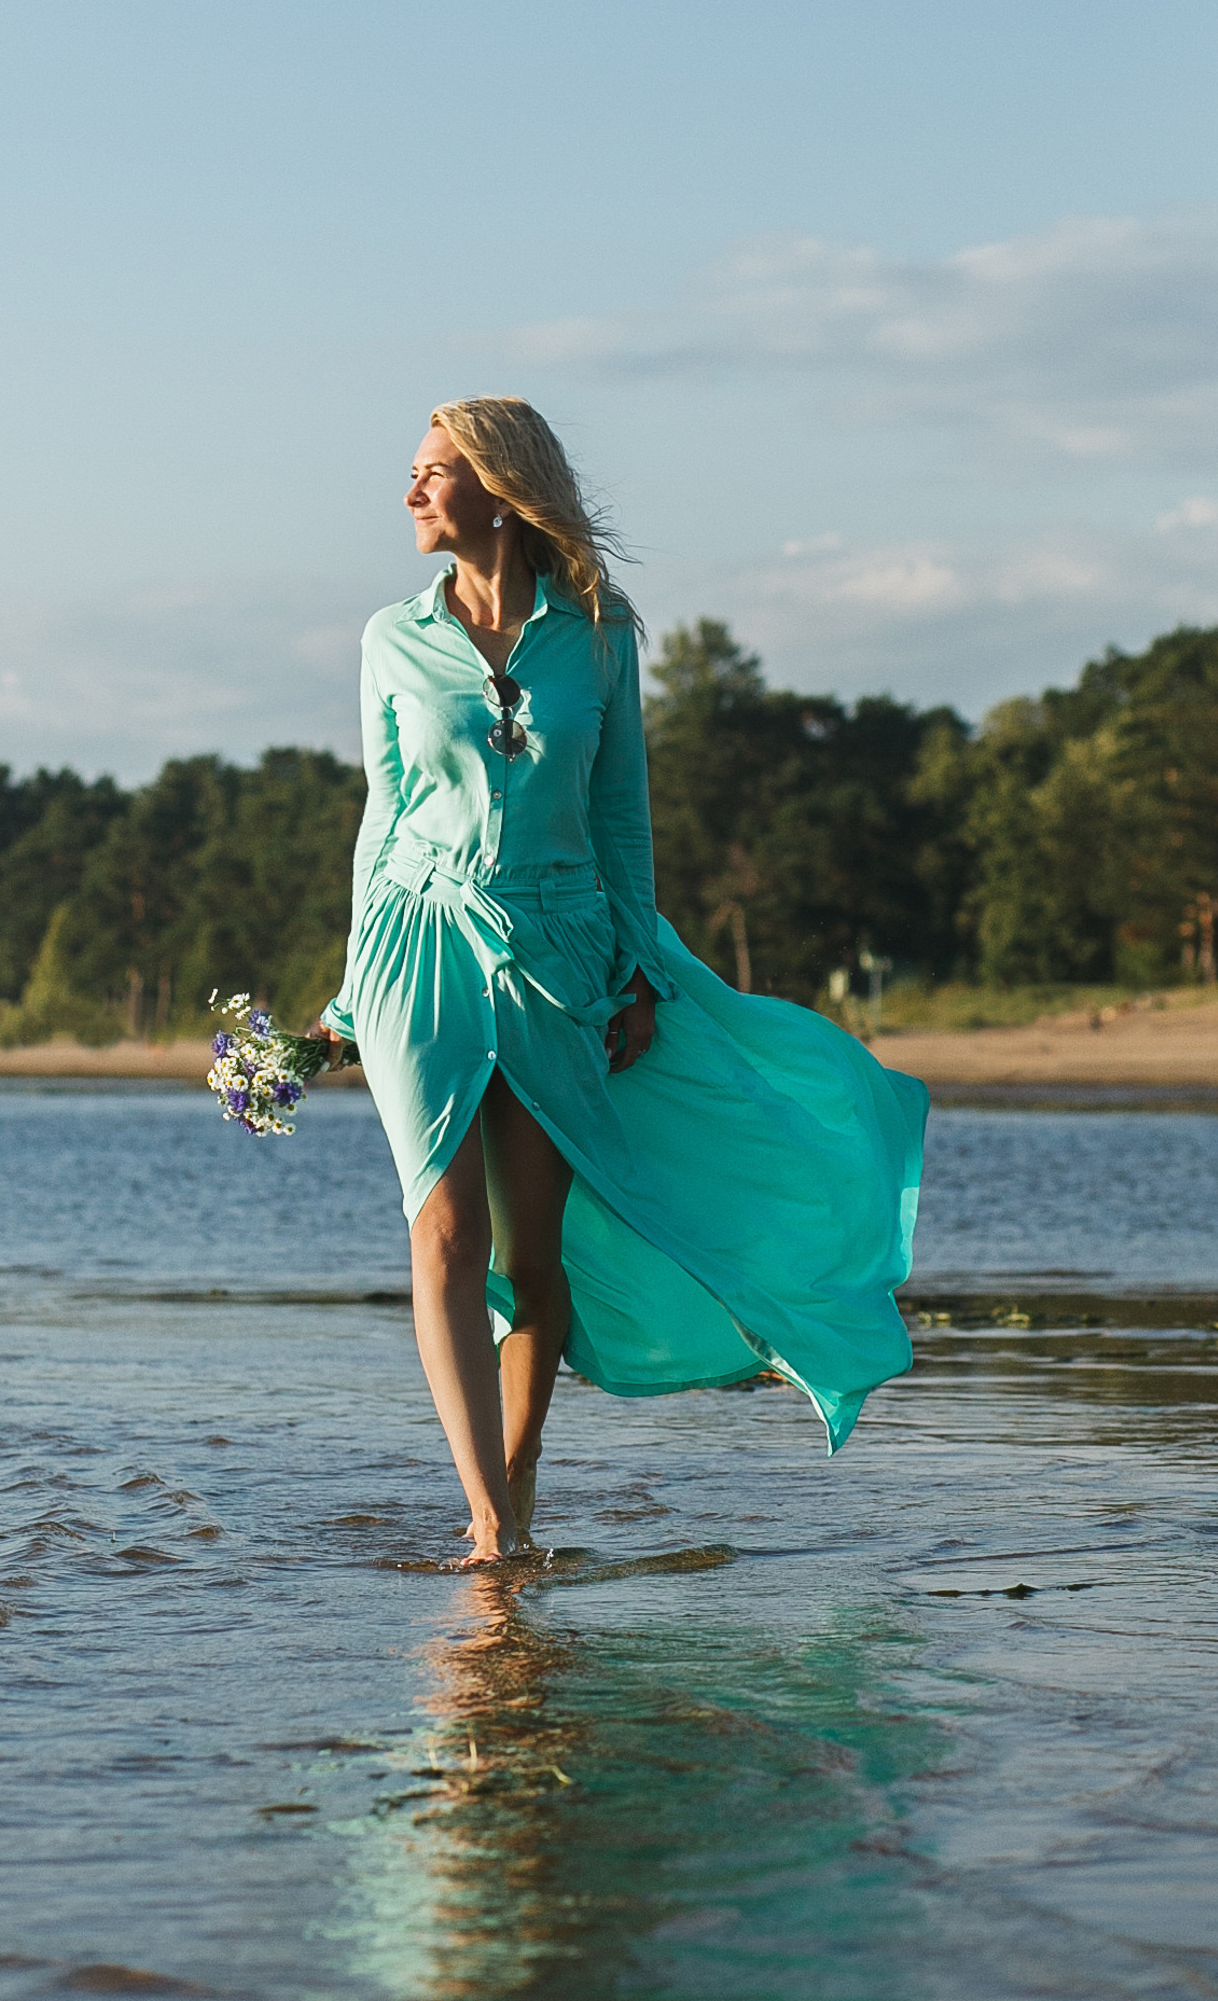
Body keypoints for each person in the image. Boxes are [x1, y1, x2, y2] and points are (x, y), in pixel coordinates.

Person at [311, 398, 926, 1565]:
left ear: (498, 488)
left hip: (558, 951)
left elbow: (618, 823)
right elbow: (380, 817)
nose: (409, 493)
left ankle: (518, 1478)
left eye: (431, 473)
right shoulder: (389, 639)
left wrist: (638, 978)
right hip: (418, 945)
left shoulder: (597, 636)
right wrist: (351, 986)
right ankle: (488, 1518)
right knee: (440, 1227)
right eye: (412, 472)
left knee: (529, 1256)